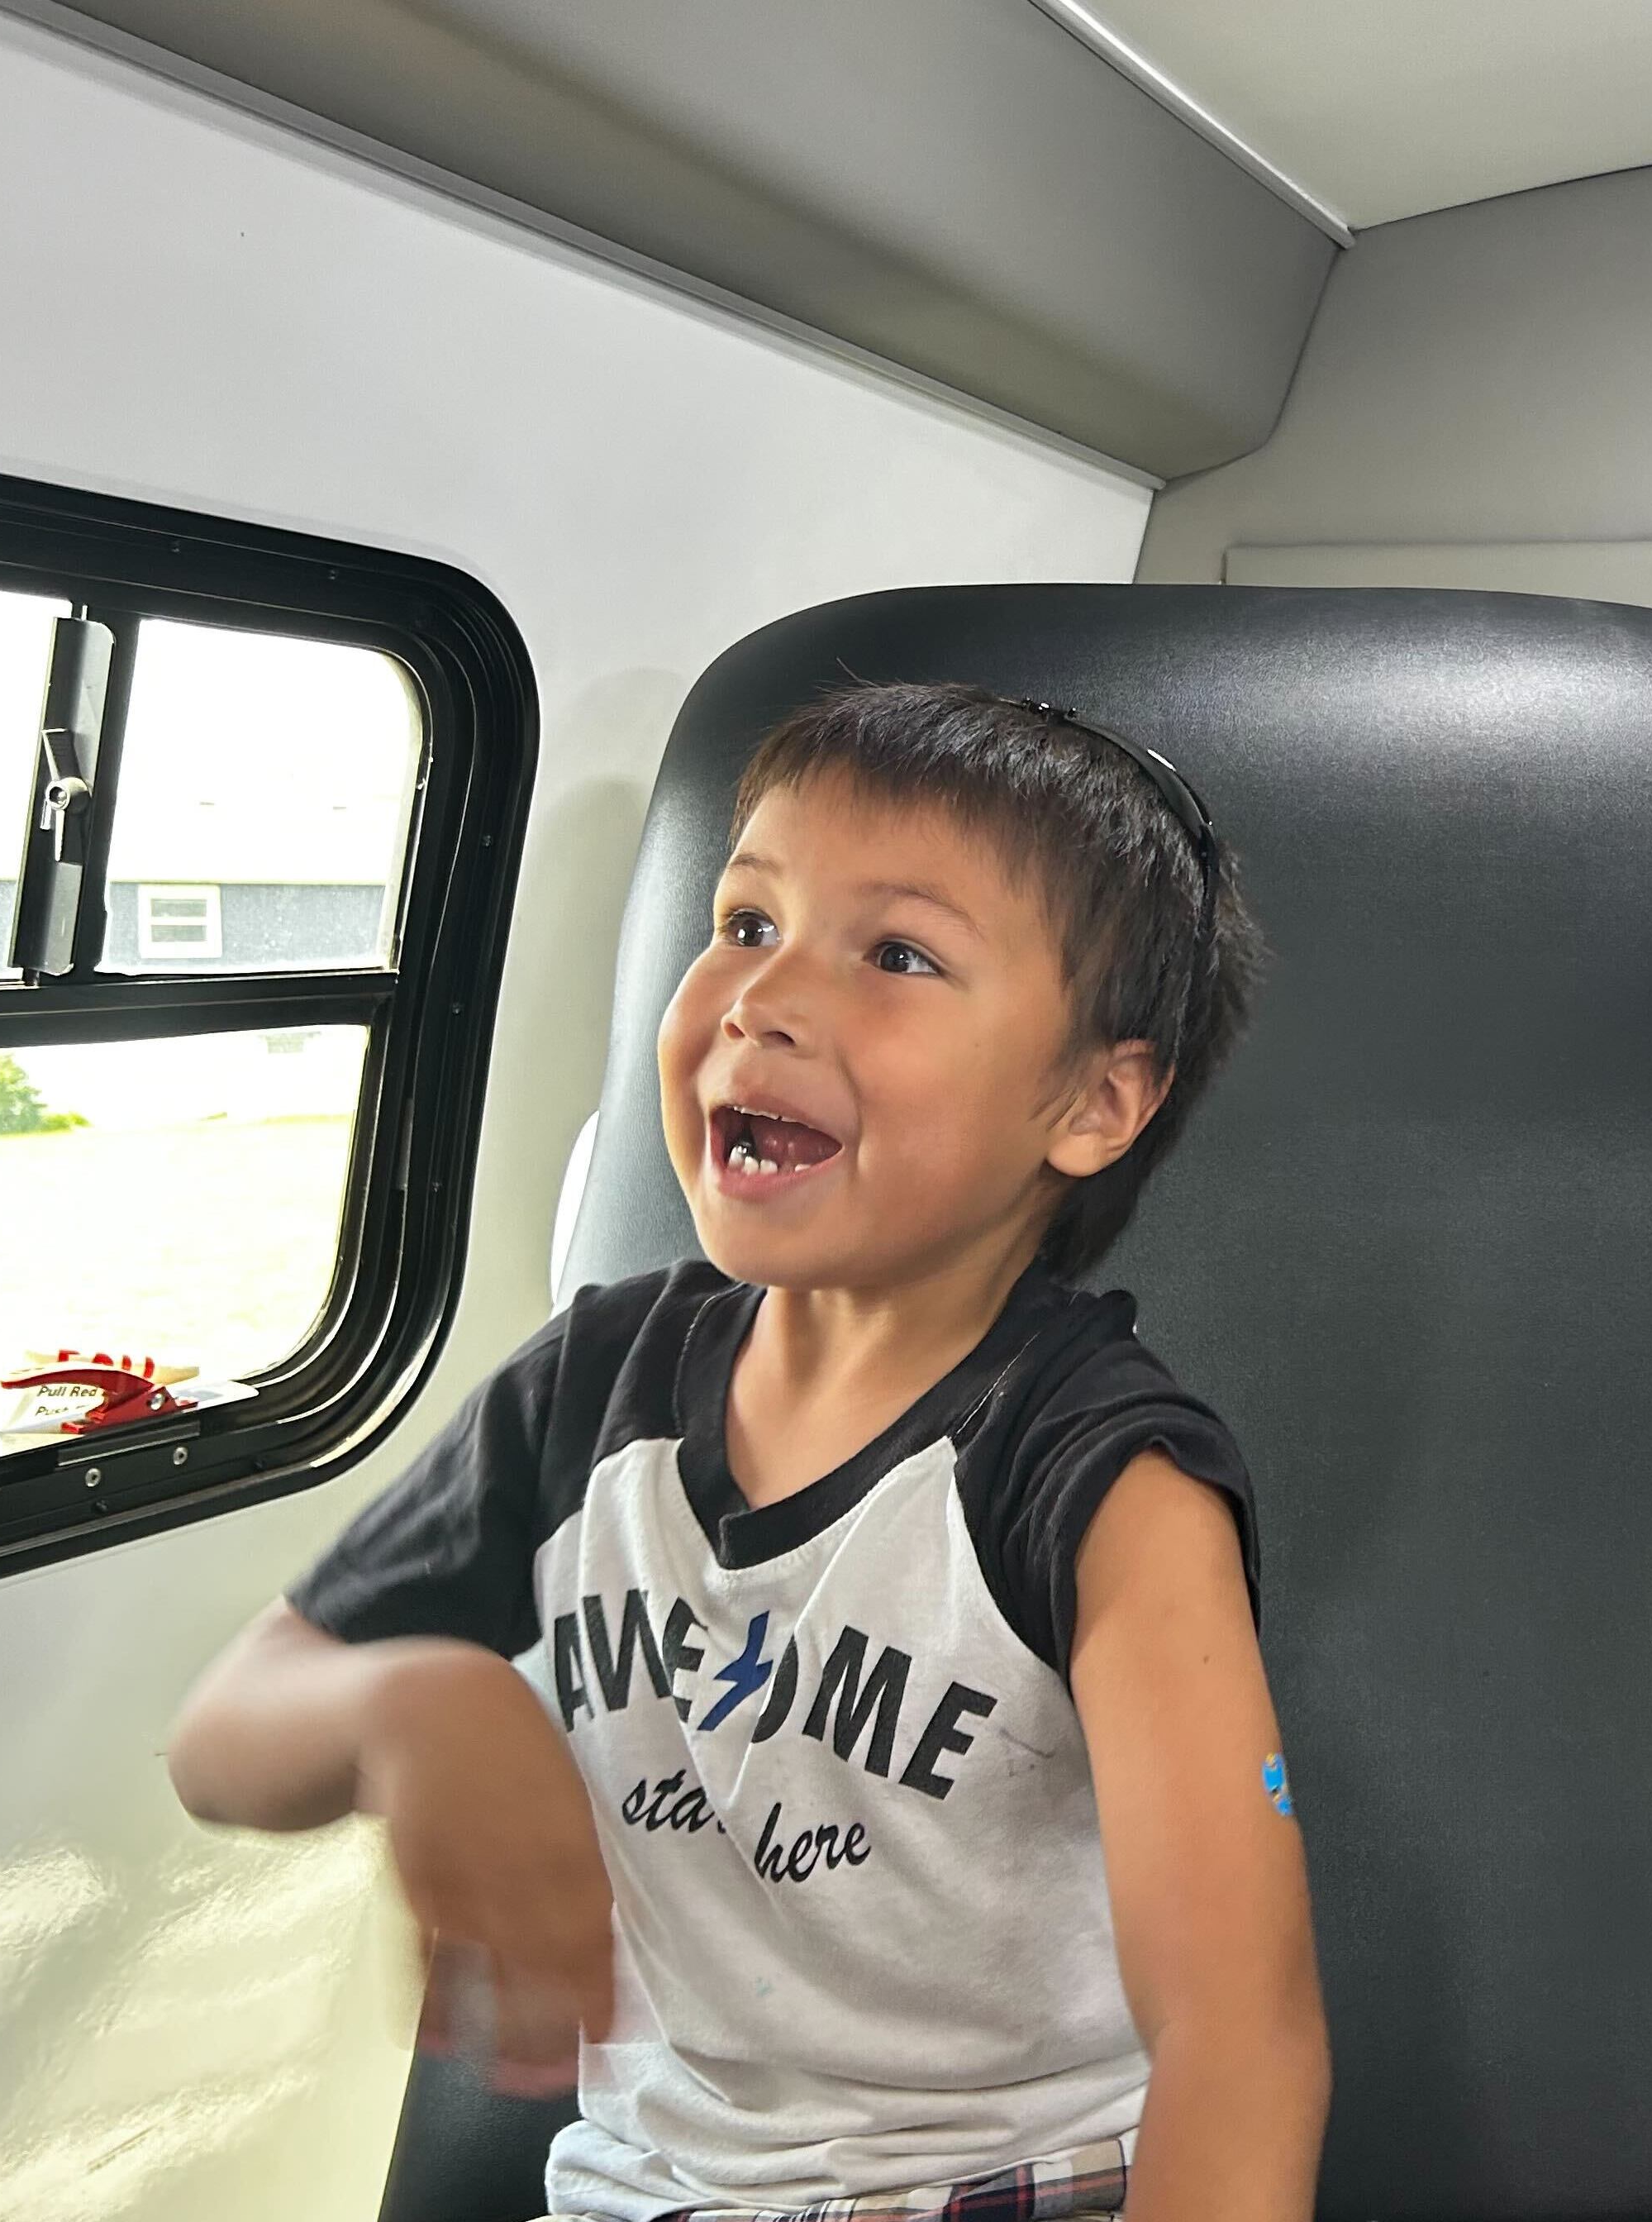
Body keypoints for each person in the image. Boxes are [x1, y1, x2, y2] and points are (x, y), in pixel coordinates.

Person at [165, 684, 1328, 2221]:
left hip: (1008, 2186)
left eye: (898, 954)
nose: (760, 999)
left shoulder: (1097, 1471)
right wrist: (408, 1698)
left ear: (1096, 1100)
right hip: (644, 2190)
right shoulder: (593, 1390)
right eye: (747, 921)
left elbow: (1240, 2038)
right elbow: (225, 1738)